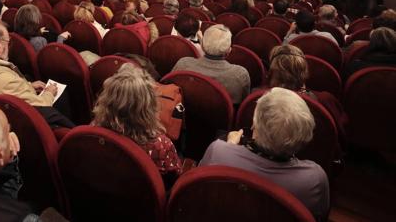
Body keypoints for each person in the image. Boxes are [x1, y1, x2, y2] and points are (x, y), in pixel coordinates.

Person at [200, 88, 329, 221]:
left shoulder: (218, 151)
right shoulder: (315, 179)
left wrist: (229, 147)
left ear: (255, 126)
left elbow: (198, 191)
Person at [92, 63, 182, 185]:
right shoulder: (161, 146)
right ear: (149, 105)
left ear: (107, 99)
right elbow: (175, 180)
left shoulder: (93, 132)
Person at [172, 24, 250, 104]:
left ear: (202, 46)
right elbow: (243, 105)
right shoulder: (240, 75)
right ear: (228, 51)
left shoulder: (183, 64)